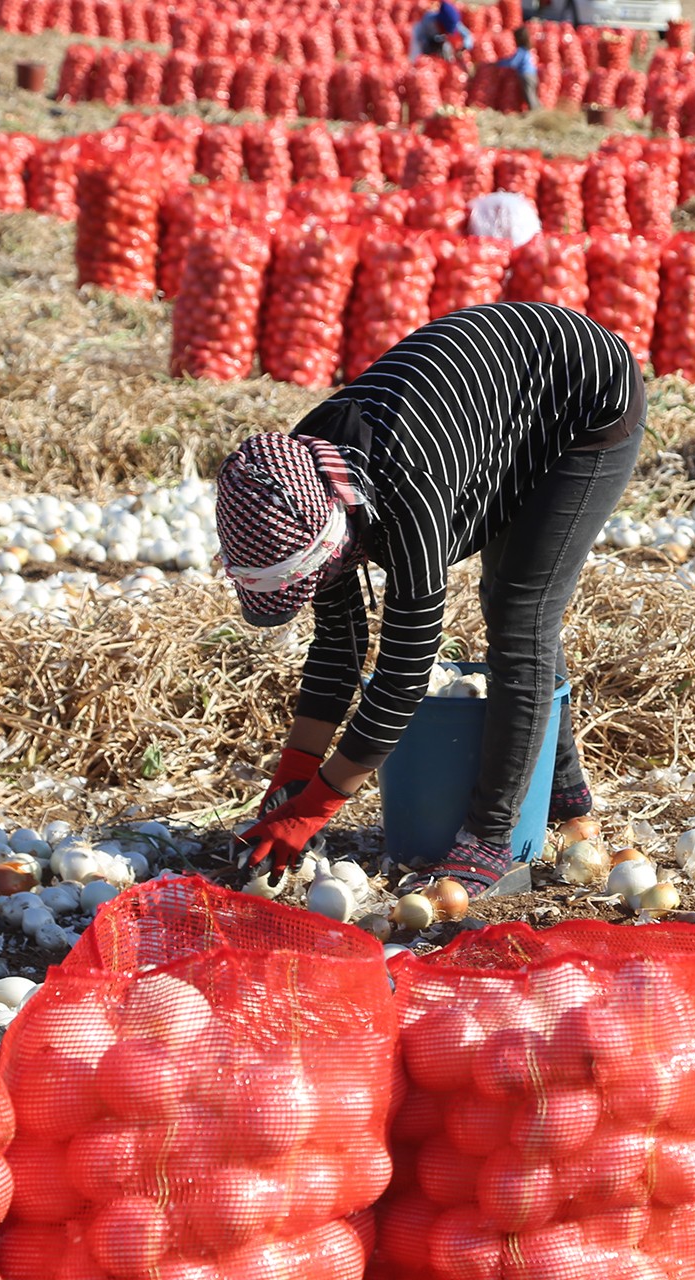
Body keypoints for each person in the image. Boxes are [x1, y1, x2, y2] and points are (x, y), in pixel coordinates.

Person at [219, 303, 645, 894]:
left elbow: (404, 675)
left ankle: (493, 835)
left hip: (584, 400)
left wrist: (315, 806)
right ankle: (564, 792)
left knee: (519, 610)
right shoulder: (304, 482)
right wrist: (293, 775)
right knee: (520, 601)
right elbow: (339, 643)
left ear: (335, 538)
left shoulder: (402, 495)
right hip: (496, 401)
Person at [498, 27, 540, 113]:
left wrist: (499, 63)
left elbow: (512, 63)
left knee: (529, 96)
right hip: (533, 75)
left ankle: (536, 113)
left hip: (526, 76)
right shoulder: (528, 50)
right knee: (533, 95)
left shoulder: (521, 51)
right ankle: (540, 110)